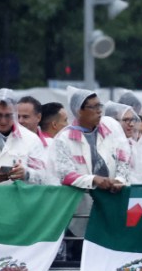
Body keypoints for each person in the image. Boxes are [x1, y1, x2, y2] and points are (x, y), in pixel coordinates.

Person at [51, 87, 131, 257]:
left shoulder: (111, 126)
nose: (99, 111)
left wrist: (120, 179)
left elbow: (124, 157)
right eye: (93, 107)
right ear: (79, 110)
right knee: (82, 255)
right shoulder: (63, 139)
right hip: (81, 211)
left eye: (99, 105)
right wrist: (94, 180)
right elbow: (65, 174)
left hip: (113, 205)